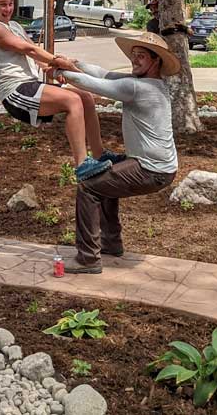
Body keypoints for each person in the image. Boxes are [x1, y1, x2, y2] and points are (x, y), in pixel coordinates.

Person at [51, 33, 180, 274]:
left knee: (88, 186)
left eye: (141, 56)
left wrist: (64, 72)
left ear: (156, 61)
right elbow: (104, 74)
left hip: (150, 169)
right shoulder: (150, 83)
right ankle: (111, 244)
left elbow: (98, 85)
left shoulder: (138, 87)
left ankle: (88, 258)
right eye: (134, 56)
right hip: (156, 166)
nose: (135, 60)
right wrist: (74, 63)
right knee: (104, 172)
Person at [0, 0, 116, 181]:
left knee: (85, 98)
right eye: (3, 5)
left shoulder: (15, 26)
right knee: (72, 101)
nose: (8, 9)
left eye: (11, 4)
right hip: (16, 92)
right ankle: (82, 165)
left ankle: (99, 153)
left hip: (32, 85)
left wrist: (56, 70)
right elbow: (28, 49)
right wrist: (56, 60)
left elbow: (37, 58)